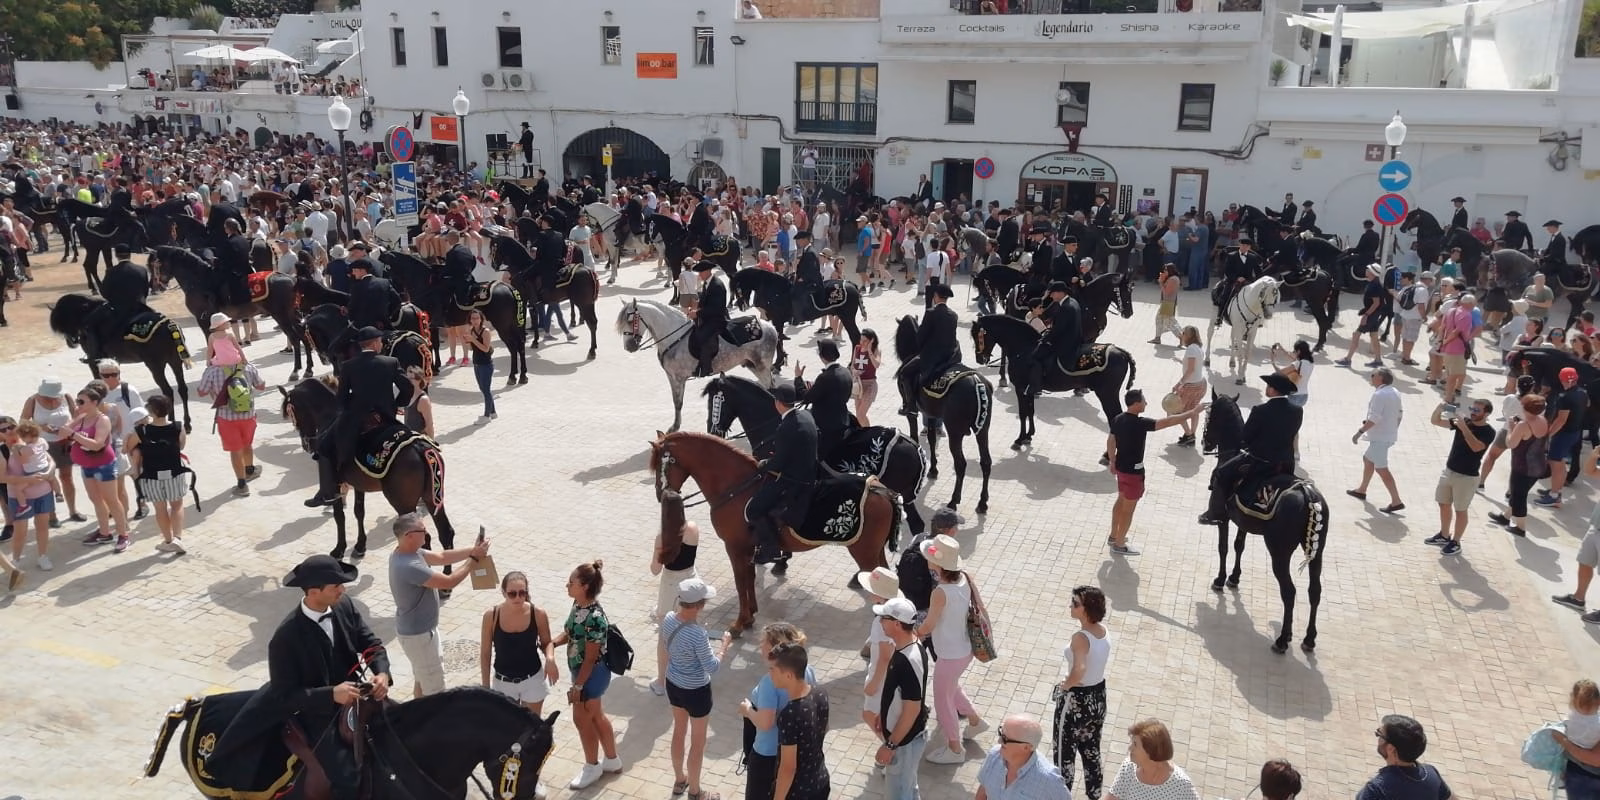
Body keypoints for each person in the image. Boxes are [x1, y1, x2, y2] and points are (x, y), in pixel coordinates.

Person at [207, 555, 392, 799]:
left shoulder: (344, 605)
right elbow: (284, 695)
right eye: (336, 586)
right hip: (315, 714)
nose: (343, 590)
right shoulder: (285, 638)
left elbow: (371, 644)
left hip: (357, 695)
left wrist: (382, 672)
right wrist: (331, 695)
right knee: (346, 777)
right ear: (314, 592)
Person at [305, 327, 412, 507]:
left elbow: (341, 398)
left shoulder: (348, 365)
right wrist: (397, 404)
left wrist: (349, 410)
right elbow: (407, 388)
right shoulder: (390, 362)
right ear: (376, 343)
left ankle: (328, 492)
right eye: (380, 341)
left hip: (357, 418)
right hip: (386, 417)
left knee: (323, 447)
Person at [389, 512, 490, 698]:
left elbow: (442, 557)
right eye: (423, 530)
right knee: (435, 691)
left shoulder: (408, 551)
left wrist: (473, 549)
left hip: (417, 633)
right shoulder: (409, 565)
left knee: (421, 680)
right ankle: (432, 725)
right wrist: (473, 560)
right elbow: (448, 581)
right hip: (419, 637)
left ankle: (414, 722)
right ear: (409, 535)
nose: (427, 534)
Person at [914, 534, 988, 764]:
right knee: (951, 688)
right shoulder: (964, 578)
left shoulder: (940, 593)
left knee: (942, 700)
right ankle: (975, 722)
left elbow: (930, 623)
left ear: (938, 564)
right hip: (965, 649)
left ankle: (955, 750)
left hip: (950, 654)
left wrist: (914, 633)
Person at [551, 560, 622, 790]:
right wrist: (552, 643)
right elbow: (571, 633)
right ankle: (612, 760)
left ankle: (592, 766)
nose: (567, 585)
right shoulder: (578, 605)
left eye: (571, 582)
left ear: (584, 586)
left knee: (581, 719)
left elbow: (590, 658)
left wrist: (578, 687)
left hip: (590, 674)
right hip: (583, 672)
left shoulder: (595, 618)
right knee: (596, 715)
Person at [660, 578, 733, 800]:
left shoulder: (669, 620)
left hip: (673, 683)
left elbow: (666, 647)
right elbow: (712, 667)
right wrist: (724, 646)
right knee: (698, 742)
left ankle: (679, 779)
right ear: (700, 605)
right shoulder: (698, 634)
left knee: (679, 732)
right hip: (696, 690)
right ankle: (695, 791)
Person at [1108, 390, 1207, 555]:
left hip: (1121, 470)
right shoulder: (1140, 423)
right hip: (1134, 473)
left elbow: (1111, 440)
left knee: (1120, 500)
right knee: (1128, 510)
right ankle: (1119, 544)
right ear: (1136, 403)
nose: (1146, 403)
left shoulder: (1118, 419)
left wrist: (1112, 461)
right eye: (1144, 401)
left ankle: (1113, 535)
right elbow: (1168, 422)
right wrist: (1193, 412)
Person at [1198, 373, 1303, 525]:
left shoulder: (1260, 410)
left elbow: (1246, 437)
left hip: (1261, 462)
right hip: (1286, 463)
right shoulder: (1297, 410)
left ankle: (1214, 513)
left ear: (1273, 390)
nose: (1266, 388)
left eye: (1268, 386)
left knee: (1221, 474)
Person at [740, 622, 814, 800]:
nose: (759, 646)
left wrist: (747, 710)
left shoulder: (769, 682)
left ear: (775, 647)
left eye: (763, 643)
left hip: (767, 754)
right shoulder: (807, 671)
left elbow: (766, 723)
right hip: (795, 751)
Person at [746, 383, 817, 565]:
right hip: (809, 471)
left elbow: (778, 462)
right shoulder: (805, 415)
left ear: (778, 403)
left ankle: (772, 550)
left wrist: (761, 464)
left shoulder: (786, 427)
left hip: (793, 481)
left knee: (753, 508)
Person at [1054, 586, 1111, 800]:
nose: (1071, 605)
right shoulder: (1103, 631)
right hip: (1098, 698)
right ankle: (1095, 795)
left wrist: (1065, 685)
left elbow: (1079, 670)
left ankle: (1061, 796)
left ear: (1086, 609)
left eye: (1075, 603)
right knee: (1091, 751)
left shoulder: (1080, 637)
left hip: (1076, 701)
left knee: (1063, 757)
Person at [871, 597, 931, 800]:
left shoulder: (908, 660)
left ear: (897, 624)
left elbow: (912, 709)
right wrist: (884, 714)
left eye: (883, 618)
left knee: (898, 795)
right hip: (903, 739)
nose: (880, 622)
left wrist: (890, 745)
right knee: (909, 790)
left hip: (904, 744)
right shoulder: (908, 645)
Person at [1425, 399, 1493, 556]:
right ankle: (1443, 535)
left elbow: (1476, 447)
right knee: (1443, 503)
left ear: (1486, 413)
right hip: (1449, 471)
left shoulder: (1488, 432)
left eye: (1477, 410)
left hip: (1467, 477)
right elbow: (1435, 421)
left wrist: (1464, 428)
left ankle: (1456, 542)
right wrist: (1439, 408)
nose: (1473, 412)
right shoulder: (1464, 422)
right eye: (1472, 409)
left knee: (1460, 510)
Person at [126, 394, 191, 554]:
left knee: (160, 509)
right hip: (175, 472)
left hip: (151, 476)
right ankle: (178, 538)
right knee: (177, 506)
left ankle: (168, 540)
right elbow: (181, 446)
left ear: (151, 411)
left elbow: (129, 447)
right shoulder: (177, 426)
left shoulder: (141, 430)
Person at [197, 358, 266, 497]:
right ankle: (250, 470)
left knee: (235, 450)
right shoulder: (248, 367)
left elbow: (201, 392)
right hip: (248, 416)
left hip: (226, 418)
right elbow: (261, 386)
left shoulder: (212, 371)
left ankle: (242, 485)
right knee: (247, 444)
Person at [772, 641, 830, 800]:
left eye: (773, 670)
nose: (770, 674)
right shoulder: (820, 692)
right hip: (820, 780)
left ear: (788, 675)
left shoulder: (790, 713)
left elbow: (788, 767)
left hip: (798, 792)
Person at [1488, 392, 1549, 536]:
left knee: (1519, 496)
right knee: (1518, 492)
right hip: (1539, 465)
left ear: (1525, 408)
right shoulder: (1543, 420)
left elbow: (1510, 444)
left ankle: (1520, 528)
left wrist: (1511, 427)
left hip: (1523, 467)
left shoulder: (1523, 425)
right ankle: (1505, 517)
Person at [1346, 368, 1405, 514]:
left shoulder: (1379, 395)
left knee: (1381, 469)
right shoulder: (1395, 392)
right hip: (1387, 436)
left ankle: (1396, 501)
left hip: (1380, 438)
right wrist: (1392, 428)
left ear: (1380, 379)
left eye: (1373, 375)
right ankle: (1362, 489)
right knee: (1368, 459)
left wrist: (1359, 432)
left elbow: (1375, 418)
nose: (1371, 377)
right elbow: (1399, 414)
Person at [975, 714, 1070, 800]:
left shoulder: (1049, 781)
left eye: (1005, 738)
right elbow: (983, 790)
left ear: (1026, 747)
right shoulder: (994, 755)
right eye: (1000, 733)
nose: (999, 741)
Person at [1356, 715, 1452, 800]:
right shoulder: (1431, 774)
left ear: (1391, 749)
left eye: (1379, 734)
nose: (1378, 738)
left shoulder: (1376, 789)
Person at [4, 419, 57, 573]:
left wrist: (49, 472)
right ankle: (16, 560)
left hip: (43, 491)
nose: (8, 431)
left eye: (11, 427)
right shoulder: (3, 451)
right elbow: (2, 478)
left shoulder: (34, 442)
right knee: (20, 530)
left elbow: (50, 460)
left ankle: (42, 556)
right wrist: (27, 480)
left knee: (42, 526)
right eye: (3, 430)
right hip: (19, 496)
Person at [82, 244, 150, 360]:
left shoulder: (111, 271)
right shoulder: (142, 270)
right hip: (141, 308)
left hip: (119, 310)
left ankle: (95, 353)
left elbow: (105, 294)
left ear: (116, 255)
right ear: (130, 254)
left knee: (90, 323)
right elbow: (145, 291)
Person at [1105, 719, 1200, 800]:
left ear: (1151, 752)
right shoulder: (1129, 767)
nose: (1130, 748)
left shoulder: (1181, 785)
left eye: (1135, 744)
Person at [1537, 366, 1588, 508]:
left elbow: (1560, 420)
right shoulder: (1582, 393)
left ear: (1561, 379)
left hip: (1564, 434)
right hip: (1574, 432)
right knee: (1560, 463)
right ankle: (1556, 490)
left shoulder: (1564, 397)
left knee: (1556, 463)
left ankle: (1554, 496)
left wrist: (1547, 435)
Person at [796, 339, 854, 457]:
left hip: (825, 424)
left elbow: (806, 397)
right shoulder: (846, 372)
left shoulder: (825, 377)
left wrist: (798, 378)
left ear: (822, 356)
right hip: (843, 417)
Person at [651, 489, 701, 626]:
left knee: (665, 626)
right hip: (691, 579)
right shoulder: (692, 527)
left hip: (671, 585)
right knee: (690, 623)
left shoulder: (662, 538)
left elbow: (655, 570)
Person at [1028, 281, 1082, 396]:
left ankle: (1036, 387)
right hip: (1075, 339)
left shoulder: (1066, 307)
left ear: (1060, 293)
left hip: (1065, 344)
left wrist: (1043, 339)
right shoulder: (1073, 302)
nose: (1051, 296)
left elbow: (1057, 330)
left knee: (1035, 356)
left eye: (1052, 293)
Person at [1336, 265, 1392, 369]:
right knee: (1374, 337)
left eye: (1368, 269)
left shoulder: (1374, 286)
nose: (1366, 270)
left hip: (1371, 315)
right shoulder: (1374, 284)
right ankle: (1378, 360)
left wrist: (1366, 315)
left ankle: (1348, 359)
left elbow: (1376, 303)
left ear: (1373, 273)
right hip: (1374, 315)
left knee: (1356, 335)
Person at [690, 261, 728, 378]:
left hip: (717, 319)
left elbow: (716, 308)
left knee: (703, 336)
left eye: (700, 272)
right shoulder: (708, 283)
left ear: (706, 271)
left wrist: (698, 313)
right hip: (709, 316)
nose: (699, 275)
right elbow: (706, 301)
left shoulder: (717, 285)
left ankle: (706, 368)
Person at [1215, 237, 1262, 326]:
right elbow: (1227, 270)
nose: (1244, 247)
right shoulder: (1231, 256)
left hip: (1248, 281)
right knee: (1225, 295)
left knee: (1259, 298)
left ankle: (1258, 318)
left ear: (1249, 247)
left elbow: (1258, 272)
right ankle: (1219, 316)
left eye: (1246, 246)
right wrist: (1236, 278)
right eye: (1242, 245)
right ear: (1239, 245)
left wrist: (1256, 282)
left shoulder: (1253, 257)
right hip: (1233, 281)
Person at [465, 309, 498, 422]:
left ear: (481, 319)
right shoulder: (471, 330)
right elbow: (470, 349)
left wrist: (473, 340)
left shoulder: (486, 332)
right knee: (483, 389)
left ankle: (486, 415)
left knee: (486, 389)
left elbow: (485, 348)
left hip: (486, 364)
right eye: (473, 318)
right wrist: (468, 341)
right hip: (476, 363)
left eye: (477, 318)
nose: (475, 321)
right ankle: (493, 412)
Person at [850, 329, 881, 427]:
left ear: (871, 341)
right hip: (858, 385)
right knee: (859, 414)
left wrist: (869, 350)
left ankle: (868, 433)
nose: (862, 343)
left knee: (861, 414)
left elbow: (876, 364)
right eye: (861, 340)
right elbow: (852, 365)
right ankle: (865, 431)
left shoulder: (876, 350)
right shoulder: (857, 348)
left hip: (870, 385)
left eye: (865, 341)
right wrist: (854, 371)